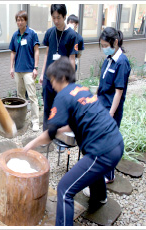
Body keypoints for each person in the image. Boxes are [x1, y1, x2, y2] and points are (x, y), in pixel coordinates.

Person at [23, 56, 124, 226]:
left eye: (53, 80)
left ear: (62, 78)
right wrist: (62, 130)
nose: (52, 85)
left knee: (64, 189)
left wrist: (30, 145)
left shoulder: (63, 96)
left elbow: (50, 133)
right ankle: (99, 198)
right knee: (90, 165)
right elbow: (76, 121)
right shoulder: (81, 89)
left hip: (103, 151)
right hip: (116, 143)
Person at [95, 27, 131, 184]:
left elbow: (118, 92)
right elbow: (102, 84)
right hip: (102, 107)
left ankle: (109, 175)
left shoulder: (122, 62)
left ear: (115, 42)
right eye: (102, 45)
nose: (104, 48)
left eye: (105, 45)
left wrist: (110, 114)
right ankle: (102, 170)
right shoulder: (108, 59)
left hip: (111, 110)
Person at [40, 4, 78, 132]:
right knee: (47, 108)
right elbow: (46, 54)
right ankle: (46, 134)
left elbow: (72, 59)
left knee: (61, 108)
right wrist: (41, 74)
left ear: (64, 16)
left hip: (62, 81)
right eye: (53, 17)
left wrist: (71, 82)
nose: (56, 21)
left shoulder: (72, 35)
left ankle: (60, 135)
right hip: (48, 78)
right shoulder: (50, 32)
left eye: (59, 18)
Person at [9, 10, 40, 131]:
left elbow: (37, 51)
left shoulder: (32, 34)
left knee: (32, 96)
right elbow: (12, 52)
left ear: (26, 21)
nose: (19, 22)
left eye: (22, 20)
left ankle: (35, 121)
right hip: (18, 70)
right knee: (20, 97)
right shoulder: (15, 35)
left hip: (28, 70)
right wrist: (11, 67)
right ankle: (22, 119)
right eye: (18, 20)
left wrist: (35, 68)